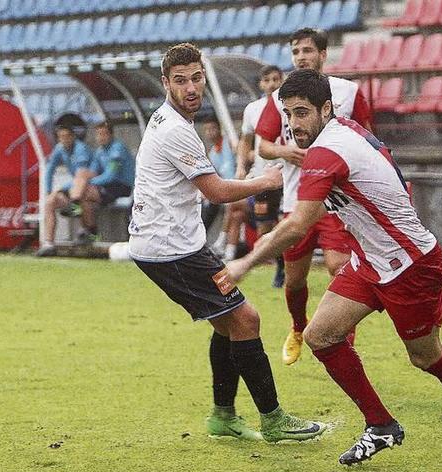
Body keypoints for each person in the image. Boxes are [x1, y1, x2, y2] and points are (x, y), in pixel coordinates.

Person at [229, 69, 442, 465]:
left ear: (327, 108)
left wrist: (245, 261)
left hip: (410, 266)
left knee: (425, 356)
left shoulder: (328, 151)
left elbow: (298, 224)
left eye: (302, 112)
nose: (294, 124)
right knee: (321, 335)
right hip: (372, 262)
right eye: (288, 113)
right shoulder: (342, 131)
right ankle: (380, 425)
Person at [129, 43, 325, 443]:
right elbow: (216, 191)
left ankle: (223, 416)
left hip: (167, 245)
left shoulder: (170, 121)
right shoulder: (176, 131)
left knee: (228, 323)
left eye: (196, 78)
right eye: (180, 81)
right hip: (173, 250)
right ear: (166, 83)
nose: (191, 88)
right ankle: (272, 419)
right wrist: (267, 181)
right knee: (246, 319)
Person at [255, 28, 372, 366]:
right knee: (295, 279)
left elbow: (366, 136)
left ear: (323, 54)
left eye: (307, 50)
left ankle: (343, 340)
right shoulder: (281, 96)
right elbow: (262, 144)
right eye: (295, 52)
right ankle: (297, 327)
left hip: (338, 201)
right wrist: (286, 151)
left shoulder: (348, 93)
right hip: (297, 199)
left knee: (339, 266)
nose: (301, 57)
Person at [237, 65, 285, 287]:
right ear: (261, 84)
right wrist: (241, 166)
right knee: (265, 228)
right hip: (262, 175)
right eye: (267, 80)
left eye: (276, 79)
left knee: (287, 222)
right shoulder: (252, 109)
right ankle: (280, 262)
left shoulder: (288, 106)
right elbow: (245, 140)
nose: (272, 84)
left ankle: (285, 269)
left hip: (286, 174)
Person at [58, 120, 135, 245]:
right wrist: (72, 185)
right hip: (106, 187)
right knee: (83, 177)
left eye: (104, 134)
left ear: (110, 135)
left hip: (121, 186)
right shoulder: (99, 152)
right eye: (98, 134)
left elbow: (111, 176)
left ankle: (82, 218)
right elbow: (91, 172)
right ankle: (91, 233)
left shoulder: (117, 148)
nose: (101, 137)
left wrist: (86, 183)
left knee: (85, 191)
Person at [35, 125, 91, 256]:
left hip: (88, 186)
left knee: (81, 194)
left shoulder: (81, 149)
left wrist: (60, 189)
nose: (63, 140)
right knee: (50, 202)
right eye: (60, 137)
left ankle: (86, 232)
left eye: (66, 136)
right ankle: (49, 244)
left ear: (73, 137)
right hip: (73, 188)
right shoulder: (59, 148)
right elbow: (49, 169)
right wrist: (48, 191)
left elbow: (81, 176)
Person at [202, 115, 243, 261]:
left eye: (212, 128)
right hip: (227, 191)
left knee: (230, 204)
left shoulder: (229, 142)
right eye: (206, 130)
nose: (209, 132)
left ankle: (221, 239)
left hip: (240, 187)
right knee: (233, 212)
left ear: (219, 129)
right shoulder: (213, 153)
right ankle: (228, 252)